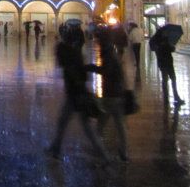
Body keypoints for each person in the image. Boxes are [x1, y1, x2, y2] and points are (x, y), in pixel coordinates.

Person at [46, 23, 108, 161]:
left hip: (76, 95)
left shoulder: (66, 53)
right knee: (67, 123)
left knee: (83, 127)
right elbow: (81, 72)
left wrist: (78, 80)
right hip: (77, 93)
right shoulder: (75, 53)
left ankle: (103, 156)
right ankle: (55, 148)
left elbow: (72, 70)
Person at [90, 31, 129, 162]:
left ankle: (100, 153)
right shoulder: (112, 53)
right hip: (118, 93)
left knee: (100, 126)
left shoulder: (108, 54)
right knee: (120, 125)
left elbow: (107, 71)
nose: (97, 43)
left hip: (111, 95)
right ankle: (124, 152)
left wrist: (94, 68)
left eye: (98, 41)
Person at [154, 36, 185, 106]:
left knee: (165, 80)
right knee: (173, 79)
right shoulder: (166, 44)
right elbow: (172, 49)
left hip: (162, 64)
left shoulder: (157, 45)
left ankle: (166, 98)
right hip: (169, 64)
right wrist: (171, 45)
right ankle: (176, 96)